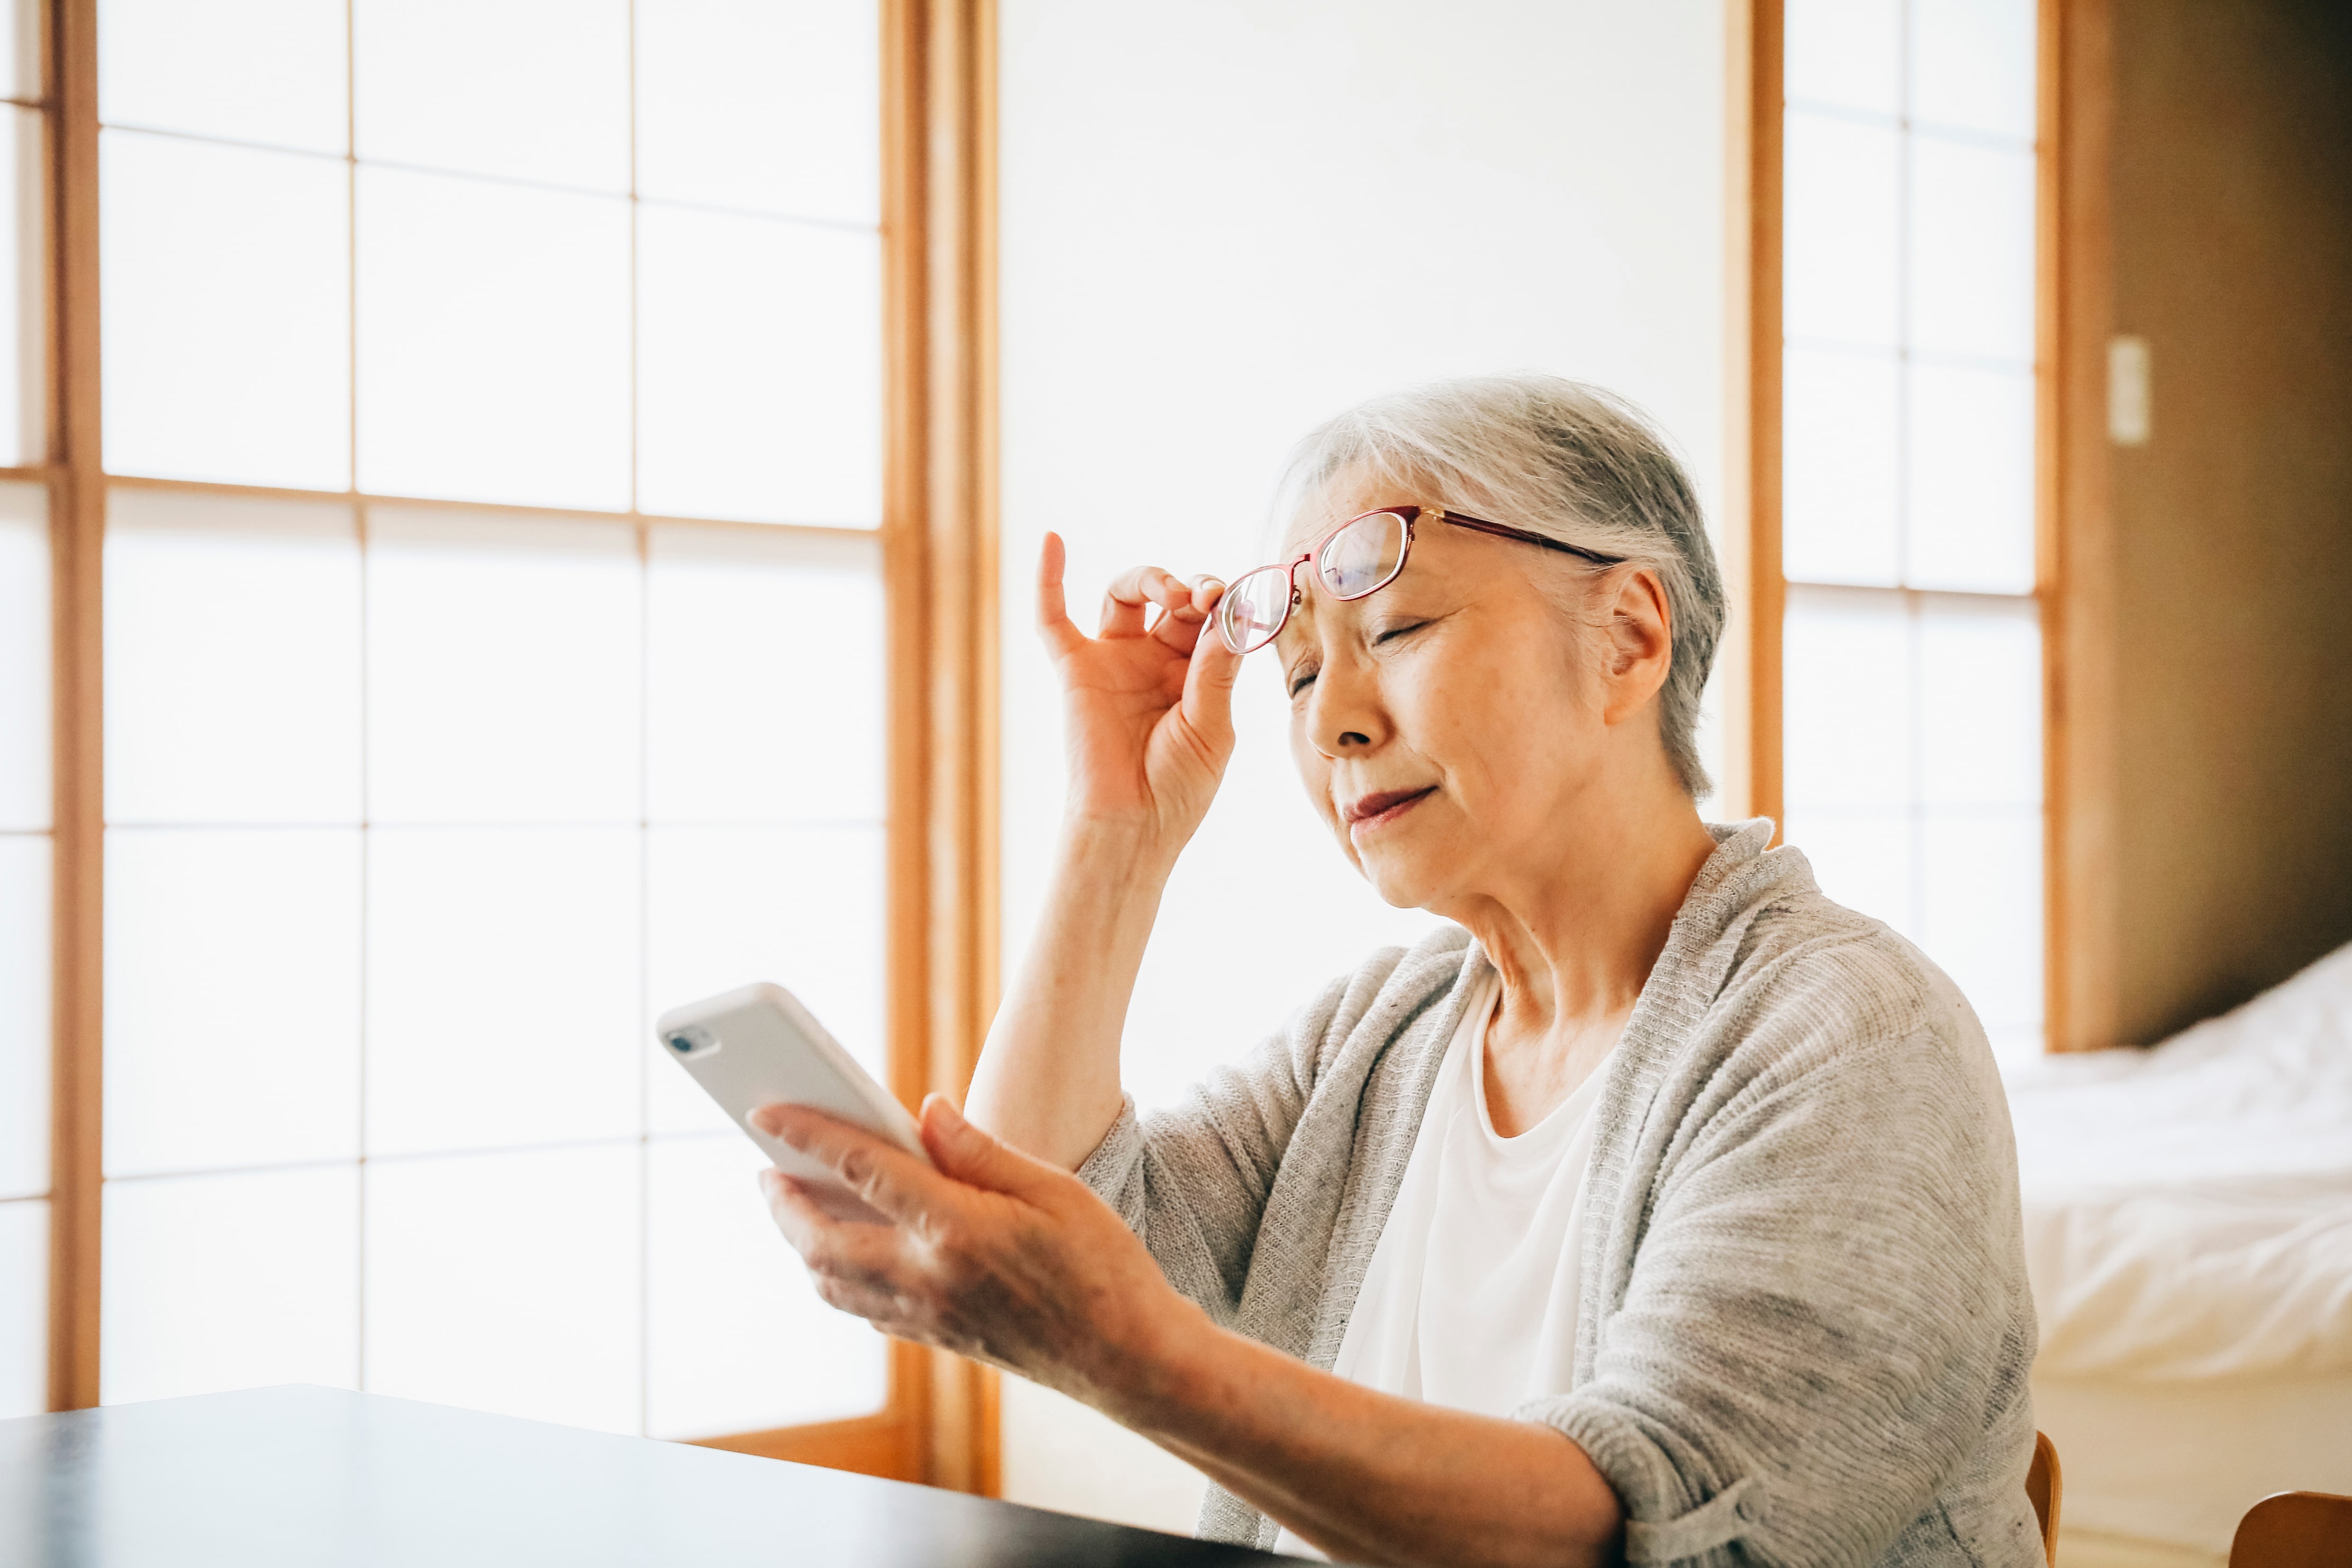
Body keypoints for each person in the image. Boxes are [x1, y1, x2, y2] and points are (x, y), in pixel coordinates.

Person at [749, 374, 2042, 1568]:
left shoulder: (1843, 1039)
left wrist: (1134, 1353)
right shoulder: (1389, 1029)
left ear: (1627, 639)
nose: (1330, 719)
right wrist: (1116, 835)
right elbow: (1053, 1207)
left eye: (1401, 628)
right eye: (1302, 668)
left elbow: (1642, 1534)